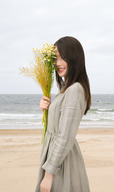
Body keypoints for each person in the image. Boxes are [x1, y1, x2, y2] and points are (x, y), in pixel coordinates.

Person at [35, 36, 91, 192]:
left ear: (74, 58)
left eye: (62, 57)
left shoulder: (75, 90)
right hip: (57, 160)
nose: (57, 63)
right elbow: (62, 123)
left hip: (61, 165)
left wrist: (49, 173)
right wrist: (48, 109)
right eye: (56, 58)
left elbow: (65, 136)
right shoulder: (67, 89)